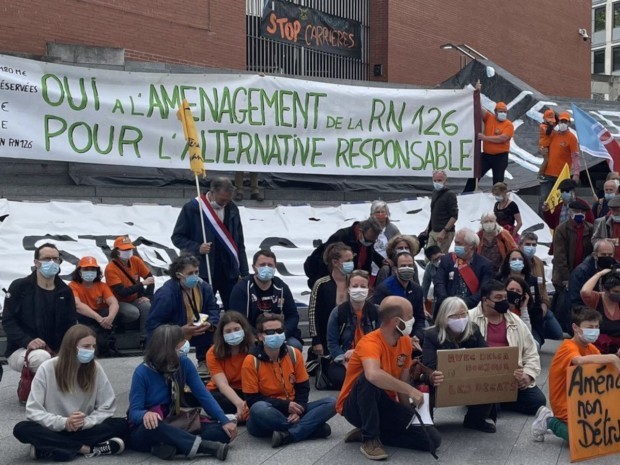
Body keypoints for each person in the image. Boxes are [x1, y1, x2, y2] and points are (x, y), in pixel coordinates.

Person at [336, 296, 441, 461]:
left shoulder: (405, 341)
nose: (413, 320)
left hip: (386, 402)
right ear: (396, 321)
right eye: (409, 317)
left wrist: (408, 412)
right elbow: (373, 374)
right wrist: (411, 390)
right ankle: (370, 439)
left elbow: (404, 380)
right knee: (369, 380)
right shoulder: (369, 342)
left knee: (432, 440)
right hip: (355, 405)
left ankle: (373, 432)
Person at [13, 325, 128, 461]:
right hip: (54, 427)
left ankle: (51, 447)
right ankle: (87, 449)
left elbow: (107, 406)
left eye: (93, 346)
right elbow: (33, 411)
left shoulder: (95, 368)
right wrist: (64, 423)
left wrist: (85, 422)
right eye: (86, 346)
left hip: (83, 428)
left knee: (122, 424)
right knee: (21, 429)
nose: (91, 350)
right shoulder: (47, 368)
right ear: (71, 347)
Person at [127, 325, 237, 461]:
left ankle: (166, 447)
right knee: (155, 426)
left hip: (175, 419)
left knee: (223, 433)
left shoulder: (183, 363)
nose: (185, 345)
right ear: (167, 349)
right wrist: (146, 414)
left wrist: (224, 420)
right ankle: (204, 447)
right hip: (150, 427)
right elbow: (134, 412)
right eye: (181, 342)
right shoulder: (142, 373)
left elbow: (203, 395)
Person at [241, 314, 336, 447]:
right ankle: (308, 428)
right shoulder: (251, 361)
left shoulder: (294, 353)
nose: (276, 334)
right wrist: (286, 406)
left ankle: (290, 434)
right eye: (270, 332)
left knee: (333, 402)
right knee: (258, 408)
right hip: (267, 413)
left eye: (279, 331)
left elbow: (303, 387)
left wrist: (299, 408)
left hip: (294, 407)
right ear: (260, 336)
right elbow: (252, 400)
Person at [531, 307, 620, 443]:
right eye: (590, 326)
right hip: (565, 404)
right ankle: (549, 420)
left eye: (596, 327)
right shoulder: (568, 346)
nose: (594, 330)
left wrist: (615, 356)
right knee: (582, 439)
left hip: (585, 402)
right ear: (576, 327)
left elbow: (604, 367)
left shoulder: (590, 348)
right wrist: (613, 358)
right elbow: (578, 361)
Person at [469, 280, 546, 415]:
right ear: (485, 300)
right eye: (498, 298)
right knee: (486, 406)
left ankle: (500, 401)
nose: (504, 301)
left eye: (505, 297)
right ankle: (497, 401)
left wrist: (528, 375)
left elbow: (531, 352)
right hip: (482, 380)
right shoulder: (469, 319)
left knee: (537, 401)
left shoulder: (516, 321)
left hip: (512, 378)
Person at [172, 177, 249, 311]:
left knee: (235, 311)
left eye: (228, 199)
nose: (225, 203)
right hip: (203, 270)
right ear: (212, 192)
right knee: (204, 310)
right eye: (222, 199)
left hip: (229, 271)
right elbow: (177, 238)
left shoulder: (232, 209)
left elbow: (239, 243)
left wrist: (244, 272)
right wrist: (197, 248)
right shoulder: (193, 208)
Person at [422, 297, 495, 433]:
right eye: (455, 316)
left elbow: (485, 356)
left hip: (470, 377)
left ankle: (475, 420)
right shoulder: (432, 335)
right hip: (442, 379)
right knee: (426, 385)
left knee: (489, 378)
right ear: (444, 317)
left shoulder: (473, 329)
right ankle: (427, 422)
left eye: (463, 315)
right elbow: (428, 365)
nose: (460, 319)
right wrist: (433, 376)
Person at [3, 243, 76, 375]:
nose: (52, 262)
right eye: (47, 259)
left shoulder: (66, 292)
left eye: (56, 259)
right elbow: (8, 321)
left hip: (57, 349)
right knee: (42, 358)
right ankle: (39, 392)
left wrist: (65, 350)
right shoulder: (19, 287)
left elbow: (70, 325)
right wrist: (27, 341)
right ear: (36, 262)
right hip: (21, 349)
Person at [146, 254, 221, 374]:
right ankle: (165, 363)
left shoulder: (204, 287)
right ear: (178, 275)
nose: (195, 276)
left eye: (196, 272)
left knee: (219, 329)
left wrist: (210, 323)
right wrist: (179, 331)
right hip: (174, 333)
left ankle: (205, 360)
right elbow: (153, 326)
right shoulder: (165, 294)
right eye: (190, 273)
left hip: (199, 330)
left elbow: (214, 309)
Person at [229, 249, 301, 349]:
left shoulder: (282, 287)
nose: (266, 268)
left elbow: (293, 315)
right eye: (262, 265)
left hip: (277, 333)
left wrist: (283, 333)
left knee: (295, 345)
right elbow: (237, 319)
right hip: (251, 335)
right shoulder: (241, 288)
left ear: (275, 267)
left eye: (270, 265)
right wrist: (258, 335)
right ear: (254, 267)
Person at [326, 270, 380, 389]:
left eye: (363, 286)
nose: (359, 289)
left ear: (368, 289)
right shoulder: (338, 312)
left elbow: (381, 340)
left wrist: (358, 353)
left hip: (371, 357)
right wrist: (344, 361)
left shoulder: (376, 312)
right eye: (355, 286)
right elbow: (332, 343)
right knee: (340, 377)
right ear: (348, 289)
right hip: (344, 359)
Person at [304, 217, 384, 290]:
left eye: (373, 241)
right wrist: (327, 286)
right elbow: (325, 261)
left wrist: (382, 261)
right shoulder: (341, 236)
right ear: (360, 231)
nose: (370, 243)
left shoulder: (368, 240)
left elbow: (369, 254)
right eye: (368, 240)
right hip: (329, 279)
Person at [205, 311, 254, 420]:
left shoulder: (255, 348)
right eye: (228, 331)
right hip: (223, 391)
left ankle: (241, 415)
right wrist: (240, 404)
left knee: (261, 400)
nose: (233, 334)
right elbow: (222, 385)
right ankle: (246, 413)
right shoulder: (212, 353)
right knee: (211, 400)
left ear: (244, 330)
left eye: (236, 329)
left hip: (248, 389)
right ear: (222, 334)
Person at [308, 242, 354, 357]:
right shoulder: (321, 284)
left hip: (352, 336)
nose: (351, 264)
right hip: (326, 337)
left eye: (352, 260)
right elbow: (313, 313)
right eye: (347, 261)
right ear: (335, 262)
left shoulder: (354, 281)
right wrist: (316, 339)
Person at [69, 257, 121, 357]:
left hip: (102, 319)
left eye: (92, 269)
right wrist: (99, 319)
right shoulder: (73, 285)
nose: (90, 272)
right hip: (84, 317)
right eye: (86, 269)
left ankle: (109, 346)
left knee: (111, 313)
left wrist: (110, 317)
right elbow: (77, 305)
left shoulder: (102, 286)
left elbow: (114, 303)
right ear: (79, 271)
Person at [433, 228, 494, 312]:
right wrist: (448, 303)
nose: (456, 246)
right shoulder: (447, 260)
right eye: (455, 242)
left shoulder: (485, 265)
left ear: (471, 245)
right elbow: (439, 283)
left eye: (459, 243)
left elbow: (483, 291)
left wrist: (462, 304)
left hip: (472, 310)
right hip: (446, 308)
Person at [104, 235, 153, 335]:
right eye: (125, 249)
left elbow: (150, 278)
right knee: (132, 313)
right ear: (116, 251)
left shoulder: (136, 260)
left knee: (147, 306)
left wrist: (148, 296)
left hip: (134, 298)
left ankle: (145, 336)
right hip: (118, 301)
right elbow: (122, 292)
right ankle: (119, 328)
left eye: (130, 249)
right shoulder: (110, 269)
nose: (128, 251)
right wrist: (142, 284)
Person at [373, 252, 426, 341]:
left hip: (412, 337)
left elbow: (420, 318)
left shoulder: (417, 289)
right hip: (390, 337)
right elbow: (379, 320)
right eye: (403, 265)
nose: (407, 268)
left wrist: (417, 336)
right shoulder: (384, 289)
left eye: (410, 265)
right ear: (395, 269)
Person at [463, 101, 514, 192]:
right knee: (475, 176)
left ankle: (497, 199)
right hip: (486, 155)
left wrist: (485, 138)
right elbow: (478, 108)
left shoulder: (508, 124)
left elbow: (502, 138)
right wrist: (476, 94)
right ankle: (466, 193)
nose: (503, 113)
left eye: (505, 112)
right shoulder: (489, 118)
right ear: (495, 112)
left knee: (498, 181)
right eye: (500, 111)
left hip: (500, 157)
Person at [552, 201, 594, 298]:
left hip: (583, 274)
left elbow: (591, 251)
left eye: (582, 212)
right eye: (576, 211)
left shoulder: (590, 228)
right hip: (564, 275)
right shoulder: (561, 229)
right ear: (570, 212)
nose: (580, 214)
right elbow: (559, 256)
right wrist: (566, 278)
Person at [539, 111, 581, 209]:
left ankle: (557, 221)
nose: (563, 123)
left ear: (569, 123)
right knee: (543, 199)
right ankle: (542, 221)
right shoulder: (553, 134)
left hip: (562, 176)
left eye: (565, 122)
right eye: (561, 121)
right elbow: (543, 145)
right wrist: (542, 150)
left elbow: (575, 157)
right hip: (548, 174)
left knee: (560, 201)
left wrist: (576, 174)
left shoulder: (572, 138)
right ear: (558, 122)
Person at [579, 268, 620, 354]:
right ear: (605, 290)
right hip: (598, 349)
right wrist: (599, 274)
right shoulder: (596, 299)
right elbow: (585, 291)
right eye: (616, 291)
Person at [568, 239, 616, 307]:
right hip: (589, 312)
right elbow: (575, 300)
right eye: (603, 254)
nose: (607, 257)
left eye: (610, 255)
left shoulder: (615, 268)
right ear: (595, 255)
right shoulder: (581, 272)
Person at [424, 170, 458, 253]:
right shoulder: (434, 192)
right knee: (429, 257)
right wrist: (428, 227)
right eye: (435, 181)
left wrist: (444, 231)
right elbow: (433, 212)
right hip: (433, 231)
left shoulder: (450, 195)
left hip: (445, 233)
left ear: (446, 181)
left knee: (440, 257)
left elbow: (454, 216)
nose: (437, 183)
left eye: (439, 180)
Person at [369, 200, 401, 280]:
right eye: (377, 212)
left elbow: (399, 245)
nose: (380, 214)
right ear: (372, 214)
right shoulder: (367, 228)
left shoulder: (392, 229)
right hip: (370, 267)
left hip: (386, 267)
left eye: (382, 212)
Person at [592, 195, 620, 260]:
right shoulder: (604, 221)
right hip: (608, 261)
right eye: (614, 211)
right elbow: (594, 239)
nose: (616, 213)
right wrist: (604, 242)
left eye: (619, 211)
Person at [421, 245, 443, 319]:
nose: (439, 261)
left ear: (442, 253)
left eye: (440, 257)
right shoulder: (429, 267)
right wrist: (422, 303)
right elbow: (425, 286)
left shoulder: (452, 261)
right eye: (435, 259)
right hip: (438, 297)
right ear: (431, 260)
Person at [537, 109, 557, 177]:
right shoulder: (543, 126)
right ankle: (540, 174)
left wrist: (554, 117)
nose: (551, 123)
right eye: (548, 120)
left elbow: (556, 122)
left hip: (549, 145)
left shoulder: (550, 125)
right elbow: (548, 132)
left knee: (550, 160)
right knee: (546, 160)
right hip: (544, 146)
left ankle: (547, 173)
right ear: (544, 119)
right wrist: (551, 124)